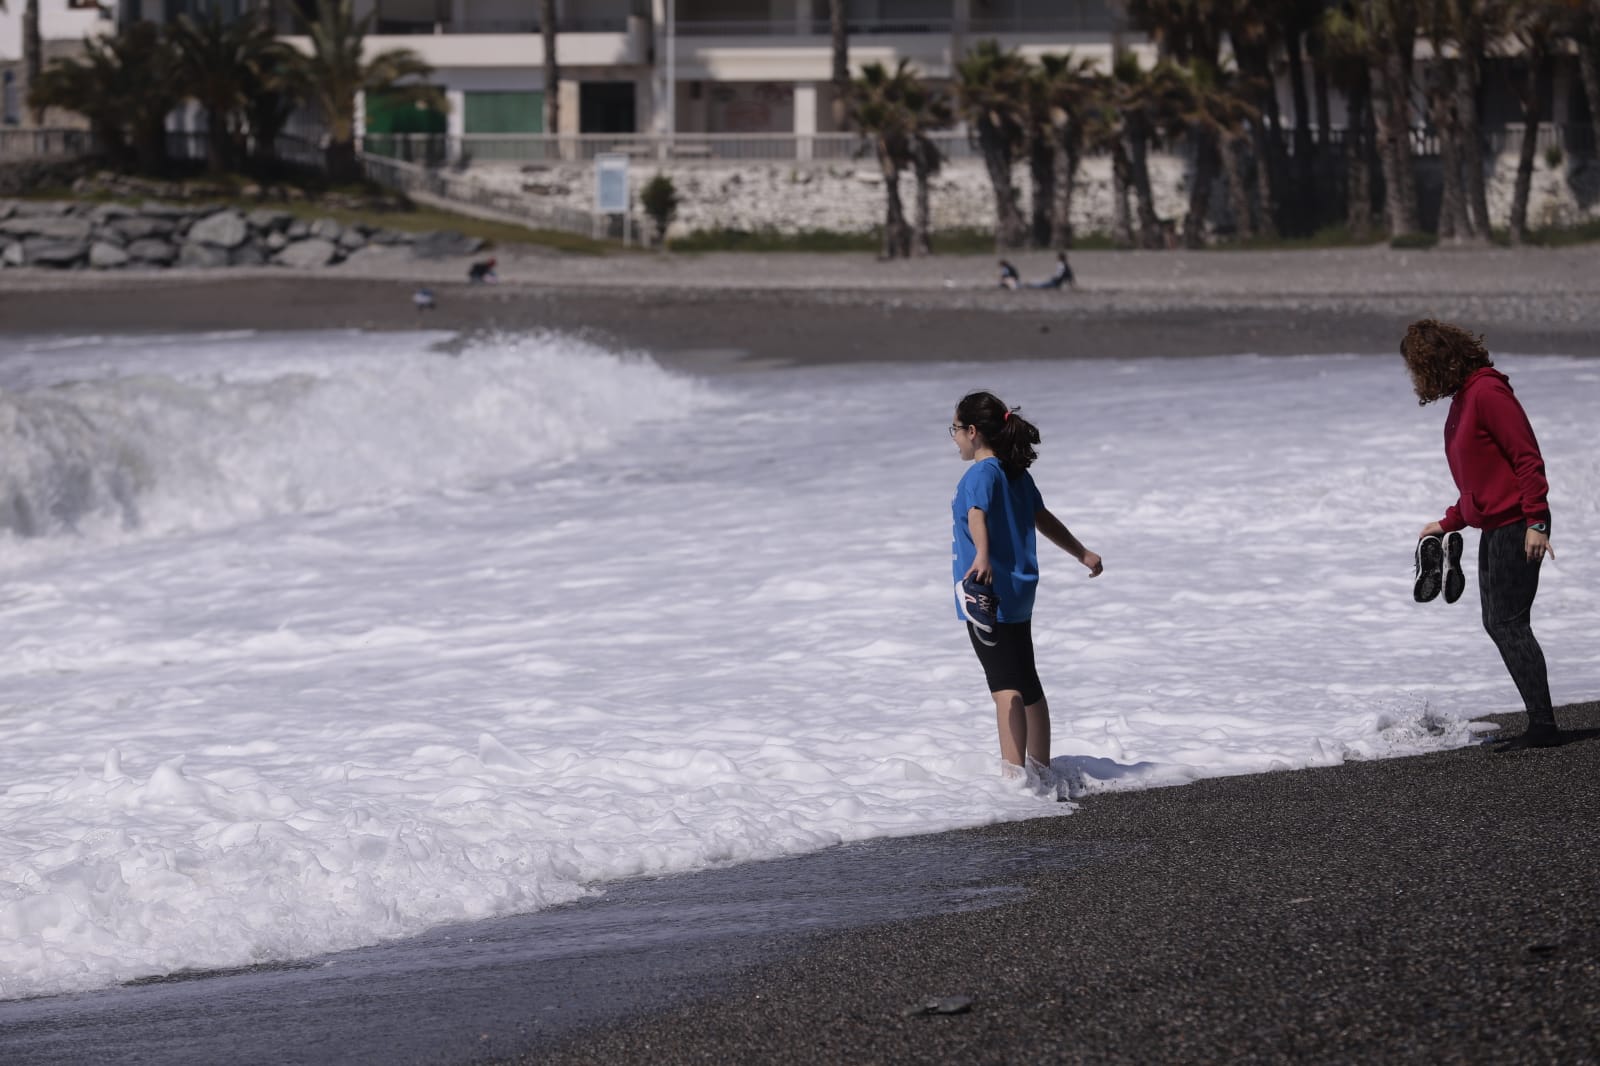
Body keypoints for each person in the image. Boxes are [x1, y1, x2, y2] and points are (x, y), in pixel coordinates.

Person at [1401, 319, 1562, 750]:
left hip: (1516, 525)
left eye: (1417, 370)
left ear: (1434, 363)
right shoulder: (1463, 399)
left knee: (1508, 623)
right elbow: (1479, 477)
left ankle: (1544, 728)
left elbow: (1527, 457)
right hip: (1495, 526)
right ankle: (1541, 723)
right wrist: (1450, 521)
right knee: (1500, 623)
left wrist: (1538, 522)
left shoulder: (1488, 393)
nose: (1416, 380)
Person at [950, 391, 1103, 790]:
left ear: (972, 431)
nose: (954, 438)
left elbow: (976, 513)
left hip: (987, 594)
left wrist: (981, 555)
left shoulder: (981, 474)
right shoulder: (1017, 474)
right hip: (1019, 592)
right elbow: (1043, 519)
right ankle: (1043, 770)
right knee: (1029, 683)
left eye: (954, 430)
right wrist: (1081, 552)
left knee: (1006, 689)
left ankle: (1015, 781)